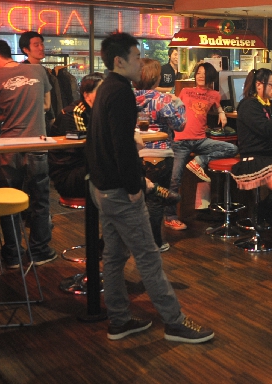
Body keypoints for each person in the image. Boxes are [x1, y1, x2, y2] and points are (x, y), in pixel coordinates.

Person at [87, 31, 213, 343]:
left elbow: (102, 140)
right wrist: (133, 187)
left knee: (114, 258)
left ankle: (119, 320)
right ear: (119, 61)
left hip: (102, 188)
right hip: (121, 191)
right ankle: (175, 323)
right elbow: (122, 147)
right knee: (148, 258)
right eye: (135, 56)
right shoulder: (120, 92)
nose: (140, 62)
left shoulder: (105, 87)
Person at [0, 37, 57, 267]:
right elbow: (46, 106)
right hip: (37, 145)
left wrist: (10, 114)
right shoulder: (39, 71)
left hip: (9, 147)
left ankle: (13, 254)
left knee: (8, 201)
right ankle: (40, 252)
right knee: (40, 201)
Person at [168, 61, 237, 229]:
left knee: (232, 148)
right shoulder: (185, 91)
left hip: (201, 140)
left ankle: (200, 161)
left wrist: (221, 112)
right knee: (175, 179)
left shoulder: (214, 94)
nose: (200, 76)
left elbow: (219, 107)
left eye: (204, 73)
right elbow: (174, 106)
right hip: (181, 141)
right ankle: (170, 216)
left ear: (210, 76)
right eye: (198, 72)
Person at [134, 58, 187, 249]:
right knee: (155, 202)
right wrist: (179, 103)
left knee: (136, 201)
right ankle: (154, 243)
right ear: (155, 78)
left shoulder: (127, 97)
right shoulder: (163, 100)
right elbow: (179, 125)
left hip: (134, 155)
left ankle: (137, 241)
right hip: (159, 155)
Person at [231, 68, 272, 228]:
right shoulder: (248, 105)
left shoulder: (271, 106)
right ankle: (262, 210)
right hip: (255, 158)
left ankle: (264, 210)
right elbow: (267, 130)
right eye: (271, 85)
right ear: (259, 85)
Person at [49, 72, 104, 198]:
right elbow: (88, 149)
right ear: (86, 95)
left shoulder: (99, 111)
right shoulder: (75, 113)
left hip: (87, 168)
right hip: (68, 175)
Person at [19, 31, 62, 131]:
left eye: (42, 44)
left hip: (45, 120)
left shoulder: (44, 70)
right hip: (30, 123)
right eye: (36, 45)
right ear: (26, 50)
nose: (41, 48)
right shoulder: (23, 71)